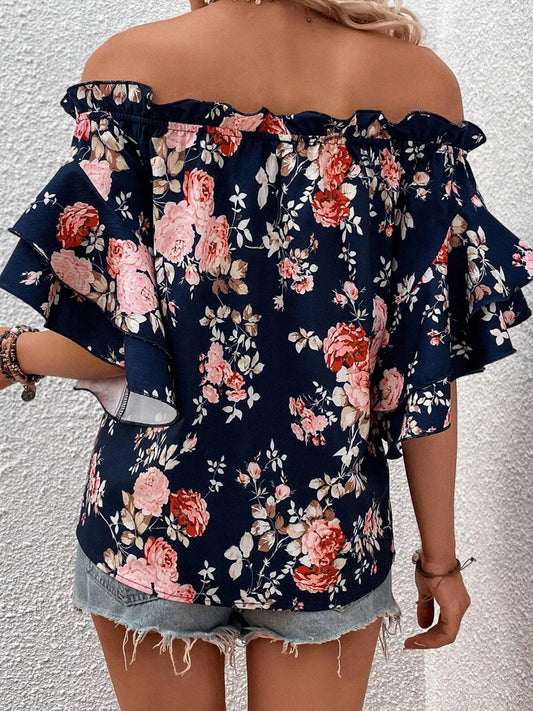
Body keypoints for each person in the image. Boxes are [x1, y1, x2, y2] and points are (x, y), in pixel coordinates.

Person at [0, 1, 531, 709]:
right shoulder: (420, 92)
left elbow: (120, 347)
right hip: (327, 529)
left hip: (153, 517)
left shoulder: (131, 75)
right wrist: (439, 560)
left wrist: (13, 353)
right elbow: (422, 367)